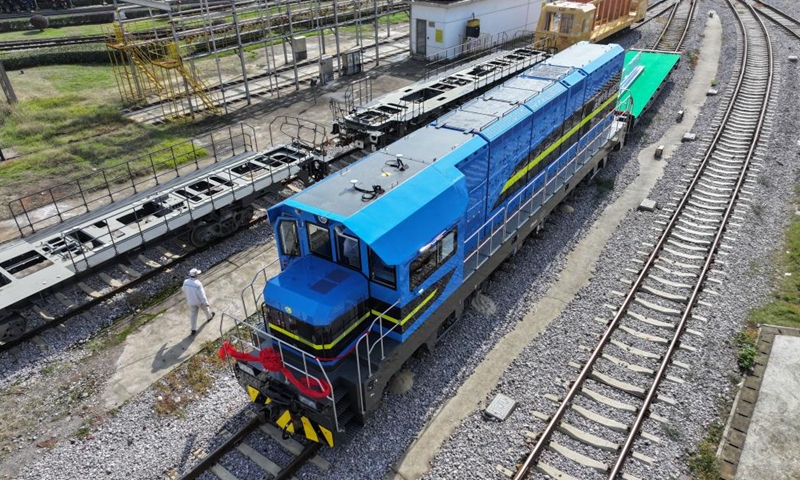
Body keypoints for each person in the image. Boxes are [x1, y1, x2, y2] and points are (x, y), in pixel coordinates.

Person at [182, 268, 215, 335]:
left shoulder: (185, 282)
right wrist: (206, 303)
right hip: (199, 302)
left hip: (191, 301)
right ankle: (209, 317)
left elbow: (183, 289)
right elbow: (202, 295)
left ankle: (193, 329)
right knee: (206, 309)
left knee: (193, 315)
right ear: (196, 275)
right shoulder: (198, 284)